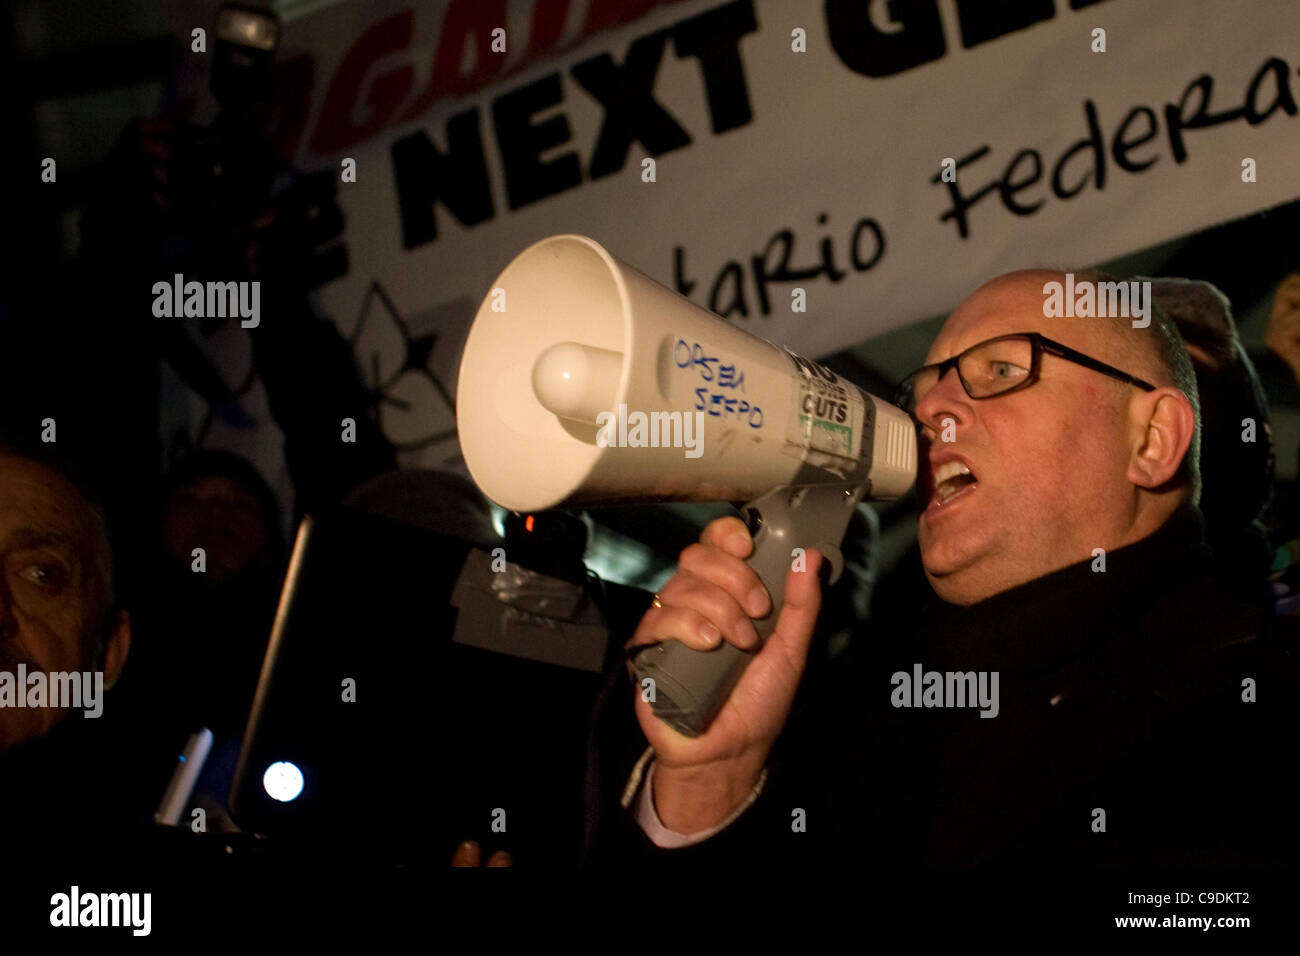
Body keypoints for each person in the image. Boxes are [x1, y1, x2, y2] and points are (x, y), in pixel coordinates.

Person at [590, 269, 1298, 866]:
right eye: (922, 387)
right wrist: (709, 788)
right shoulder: (862, 726)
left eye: (1001, 369)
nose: (928, 410)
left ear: (1153, 438)